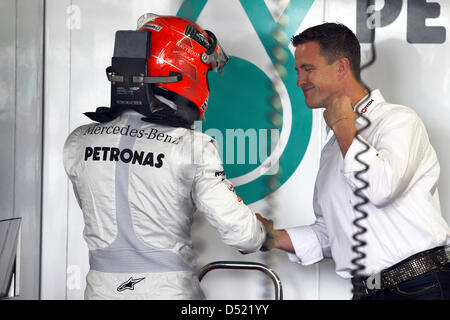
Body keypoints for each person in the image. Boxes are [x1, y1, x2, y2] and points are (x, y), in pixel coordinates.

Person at [63, 13, 267, 300]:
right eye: (205, 71)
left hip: (100, 291)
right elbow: (242, 235)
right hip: (168, 291)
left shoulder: (77, 141)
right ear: (187, 68)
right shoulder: (193, 146)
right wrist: (262, 233)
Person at [258, 22, 450, 300]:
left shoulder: (398, 121)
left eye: (308, 69)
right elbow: (330, 233)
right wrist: (269, 237)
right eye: (298, 71)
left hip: (420, 286)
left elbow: (381, 188)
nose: (300, 81)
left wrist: (345, 125)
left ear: (341, 67)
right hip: (367, 292)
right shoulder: (332, 147)